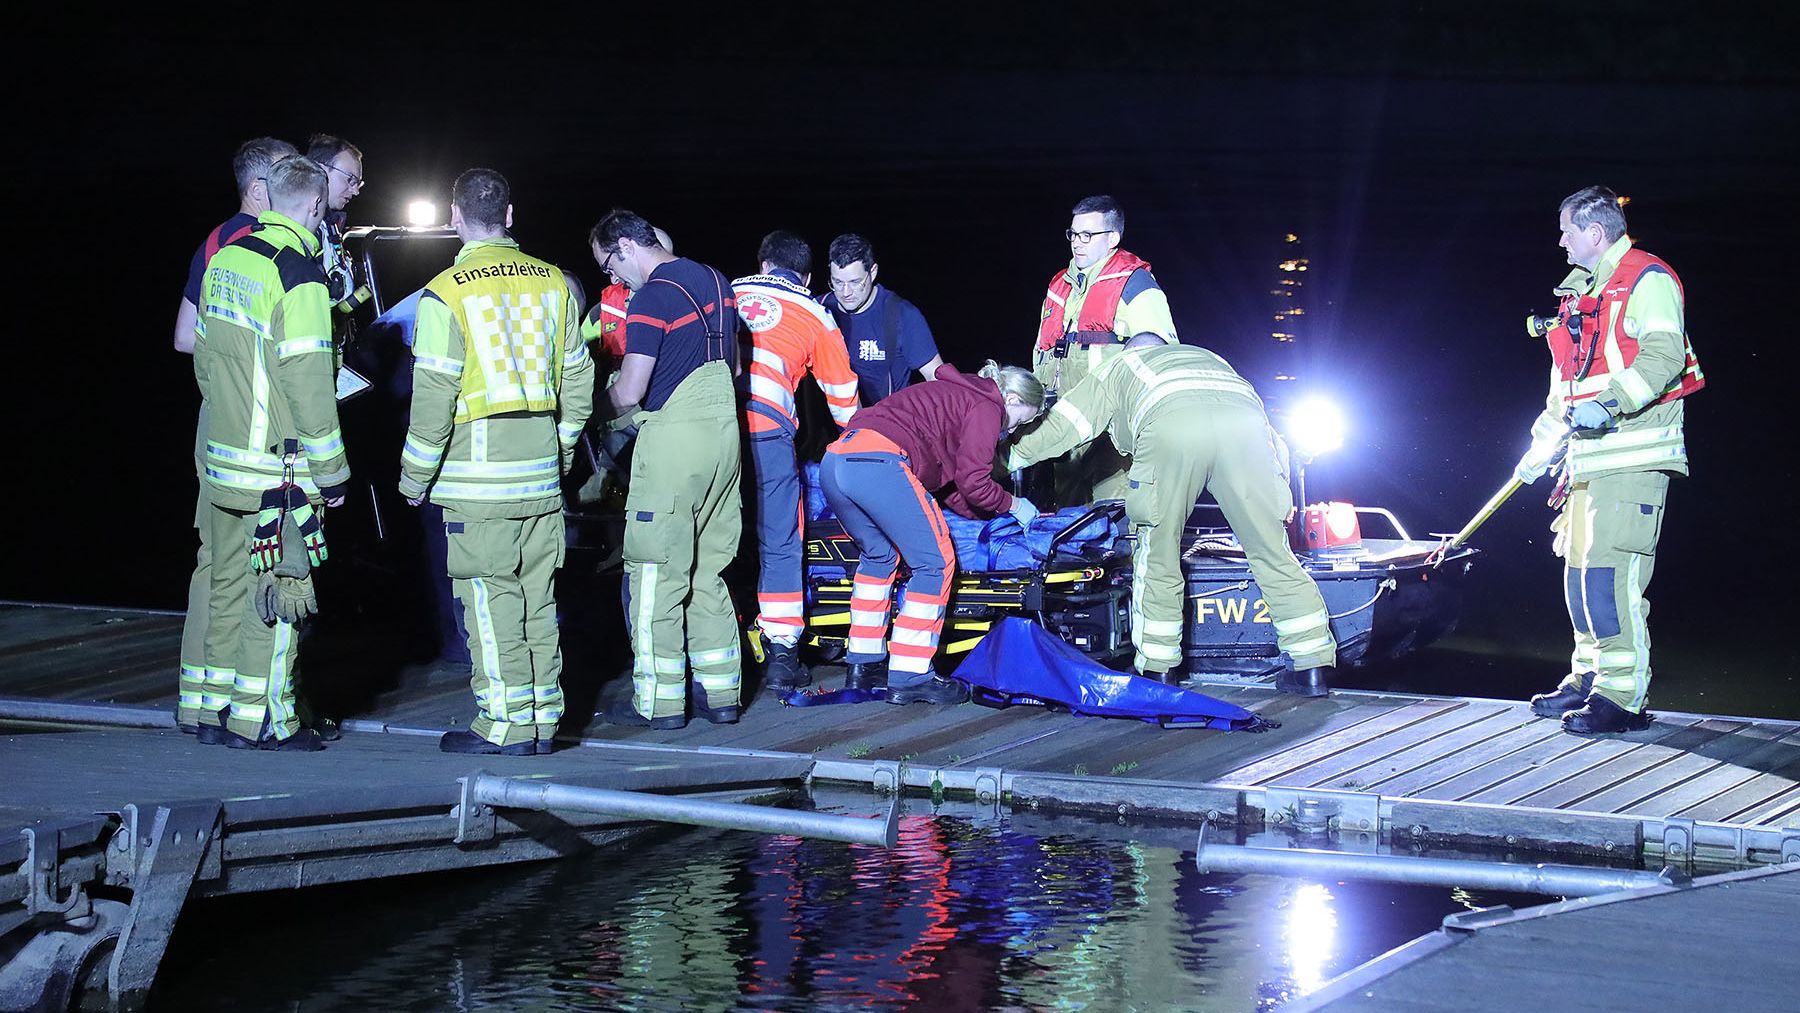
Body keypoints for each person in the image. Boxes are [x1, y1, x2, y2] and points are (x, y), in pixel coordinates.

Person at [1008, 336, 1337, 693]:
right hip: (1246, 429)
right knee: (1273, 552)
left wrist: (1000, 460)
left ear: (1133, 350)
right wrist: (1277, 499)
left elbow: (1063, 428)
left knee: (1158, 552)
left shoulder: (1120, 366)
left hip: (1171, 427)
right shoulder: (1211, 358)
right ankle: (1311, 664)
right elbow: (1274, 442)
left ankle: (1158, 669)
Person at [398, 168, 595, 755]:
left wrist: (413, 477)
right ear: (509, 216)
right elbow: (578, 379)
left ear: (454, 217)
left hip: (477, 484)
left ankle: (504, 724)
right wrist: (561, 449)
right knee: (538, 599)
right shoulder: (554, 283)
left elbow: (433, 396)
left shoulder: (445, 293)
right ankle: (542, 721)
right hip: (539, 477)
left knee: (490, 602)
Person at [1515, 186, 1704, 735]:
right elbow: (1566, 392)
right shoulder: (1580, 294)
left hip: (1632, 458)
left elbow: (1664, 356)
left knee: (1609, 578)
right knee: (1578, 577)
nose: (1561, 242)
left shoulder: (1648, 279)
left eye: (1567, 232)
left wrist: (1612, 403)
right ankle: (1588, 678)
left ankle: (1621, 698)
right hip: (1585, 463)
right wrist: (1538, 449)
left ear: (1595, 233)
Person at [194, 155, 350, 750]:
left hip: (225, 460)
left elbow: (205, 359)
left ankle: (215, 710)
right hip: (278, 472)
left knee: (229, 587)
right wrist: (331, 472)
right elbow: (309, 384)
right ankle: (265, 720)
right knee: (283, 592)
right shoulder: (299, 274)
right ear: (314, 205)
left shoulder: (226, 260)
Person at [594, 210, 742, 730]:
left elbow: (631, 390)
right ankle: (721, 695)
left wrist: (594, 408)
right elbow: (735, 366)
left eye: (609, 266)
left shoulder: (651, 297)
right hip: (725, 435)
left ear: (625, 246)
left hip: (675, 442)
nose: (614, 279)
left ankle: (659, 703)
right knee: (709, 568)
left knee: (655, 573)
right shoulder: (716, 280)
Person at [820, 362, 1044, 704]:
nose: (1011, 430)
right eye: (1019, 422)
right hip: (879, 463)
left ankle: (865, 664)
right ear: (1011, 399)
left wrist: (987, 517)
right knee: (934, 563)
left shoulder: (956, 396)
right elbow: (975, 481)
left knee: (879, 557)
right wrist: (1014, 505)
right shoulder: (988, 407)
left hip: (837, 460)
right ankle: (911, 674)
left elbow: (953, 486)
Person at [172, 136, 297, 739]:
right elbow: (189, 337)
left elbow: (187, 337)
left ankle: (202, 705)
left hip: (217, 428)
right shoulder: (256, 247)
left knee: (215, 567)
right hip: (256, 431)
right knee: (263, 570)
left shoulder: (216, 242)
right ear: (260, 188)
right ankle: (254, 712)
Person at [734, 230, 861, 691]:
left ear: (763, 265)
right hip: (767, 431)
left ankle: (716, 643)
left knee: (711, 534)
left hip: (713, 426)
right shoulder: (814, 313)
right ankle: (782, 654)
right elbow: (844, 404)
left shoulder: (729, 291)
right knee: (781, 536)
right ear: (807, 278)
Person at [1029, 195, 1178, 507]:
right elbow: (1041, 351)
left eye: (1087, 235)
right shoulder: (1059, 285)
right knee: (1068, 522)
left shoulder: (1134, 283)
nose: (1077, 242)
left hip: (1111, 431)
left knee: (1115, 515)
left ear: (1112, 238)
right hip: (1065, 427)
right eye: (1073, 234)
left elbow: (1162, 355)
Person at [822, 234, 944, 405]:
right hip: (832, 420)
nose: (846, 292)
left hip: (888, 419)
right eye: (838, 282)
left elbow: (936, 377)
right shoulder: (819, 310)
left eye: (855, 282)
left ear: (872, 272)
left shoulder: (901, 315)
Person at [307, 134, 365, 317]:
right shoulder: (302, 224)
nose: (355, 191)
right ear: (320, 170)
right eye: (350, 180)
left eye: (358, 184)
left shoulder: (329, 223)